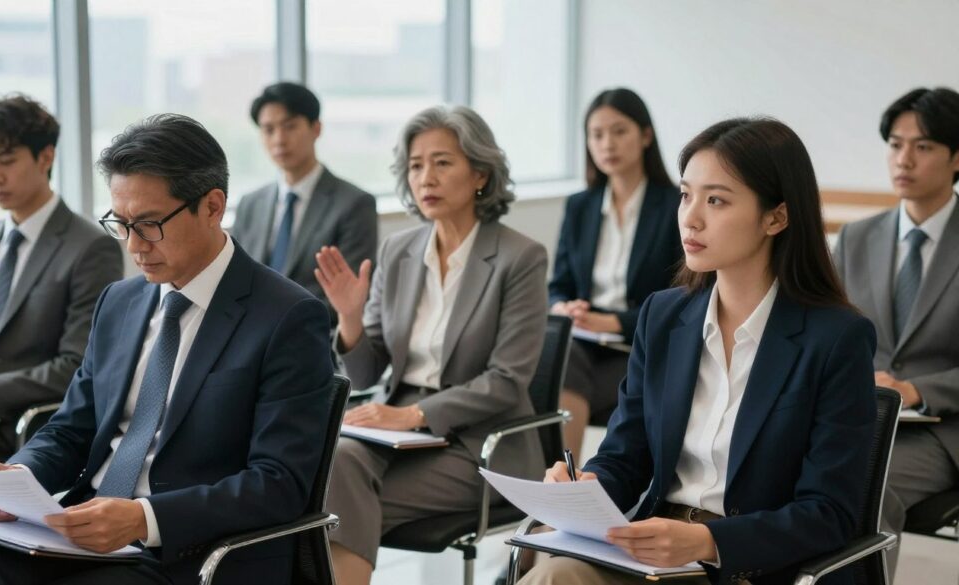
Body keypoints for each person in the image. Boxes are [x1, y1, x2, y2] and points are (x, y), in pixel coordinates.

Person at [0, 113, 335, 585]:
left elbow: (280, 483)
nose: (133, 246)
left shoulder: (286, 316)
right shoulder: (121, 302)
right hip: (82, 533)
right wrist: (15, 478)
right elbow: (70, 430)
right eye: (119, 224)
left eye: (148, 224)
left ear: (212, 206)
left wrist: (143, 518)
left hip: (191, 551)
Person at [519, 118, 877, 585]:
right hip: (651, 549)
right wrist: (588, 487)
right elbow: (625, 456)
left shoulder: (836, 338)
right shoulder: (663, 317)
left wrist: (709, 542)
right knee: (554, 574)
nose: (690, 216)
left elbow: (828, 512)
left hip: (751, 565)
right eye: (686, 195)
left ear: (776, 217)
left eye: (716, 200)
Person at [314, 105, 547, 585]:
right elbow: (364, 372)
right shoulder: (398, 251)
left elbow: (507, 381)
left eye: (442, 163)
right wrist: (351, 321)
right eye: (416, 166)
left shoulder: (520, 257)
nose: (426, 178)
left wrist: (414, 415)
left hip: (481, 442)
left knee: (326, 503)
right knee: (334, 464)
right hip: (394, 436)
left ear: (480, 173)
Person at [0, 95, 122, 505]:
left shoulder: (89, 247)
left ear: (45, 157)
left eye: (6, 160)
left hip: (7, 423)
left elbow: (77, 364)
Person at [833, 87, 959, 580]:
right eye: (894, 144)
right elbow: (829, 336)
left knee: (867, 483)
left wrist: (915, 390)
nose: (903, 158)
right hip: (856, 415)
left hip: (940, 430)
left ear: (955, 158)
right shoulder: (857, 238)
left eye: (923, 146)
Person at [548, 88, 682, 462]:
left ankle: (563, 485)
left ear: (645, 136)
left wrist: (611, 322)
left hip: (641, 344)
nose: (607, 144)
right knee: (564, 355)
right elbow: (557, 285)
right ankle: (569, 485)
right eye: (597, 134)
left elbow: (683, 299)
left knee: (561, 373)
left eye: (619, 131)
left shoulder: (674, 204)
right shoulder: (580, 206)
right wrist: (563, 308)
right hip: (583, 343)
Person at [233, 81, 378, 323]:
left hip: (314, 340)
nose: (279, 139)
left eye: (290, 126)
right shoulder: (250, 204)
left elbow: (349, 296)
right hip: (249, 338)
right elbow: (235, 279)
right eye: (268, 129)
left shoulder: (354, 204)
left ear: (316, 128)